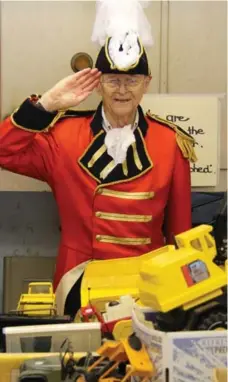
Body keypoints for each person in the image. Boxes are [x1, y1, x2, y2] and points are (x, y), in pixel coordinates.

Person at [0, 1, 196, 317]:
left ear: (146, 83)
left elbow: (180, 236)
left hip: (145, 287)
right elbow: (3, 151)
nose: (122, 90)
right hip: (79, 284)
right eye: (112, 80)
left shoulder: (170, 143)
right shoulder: (64, 136)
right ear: (97, 83)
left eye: (132, 80)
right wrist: (46, 106)